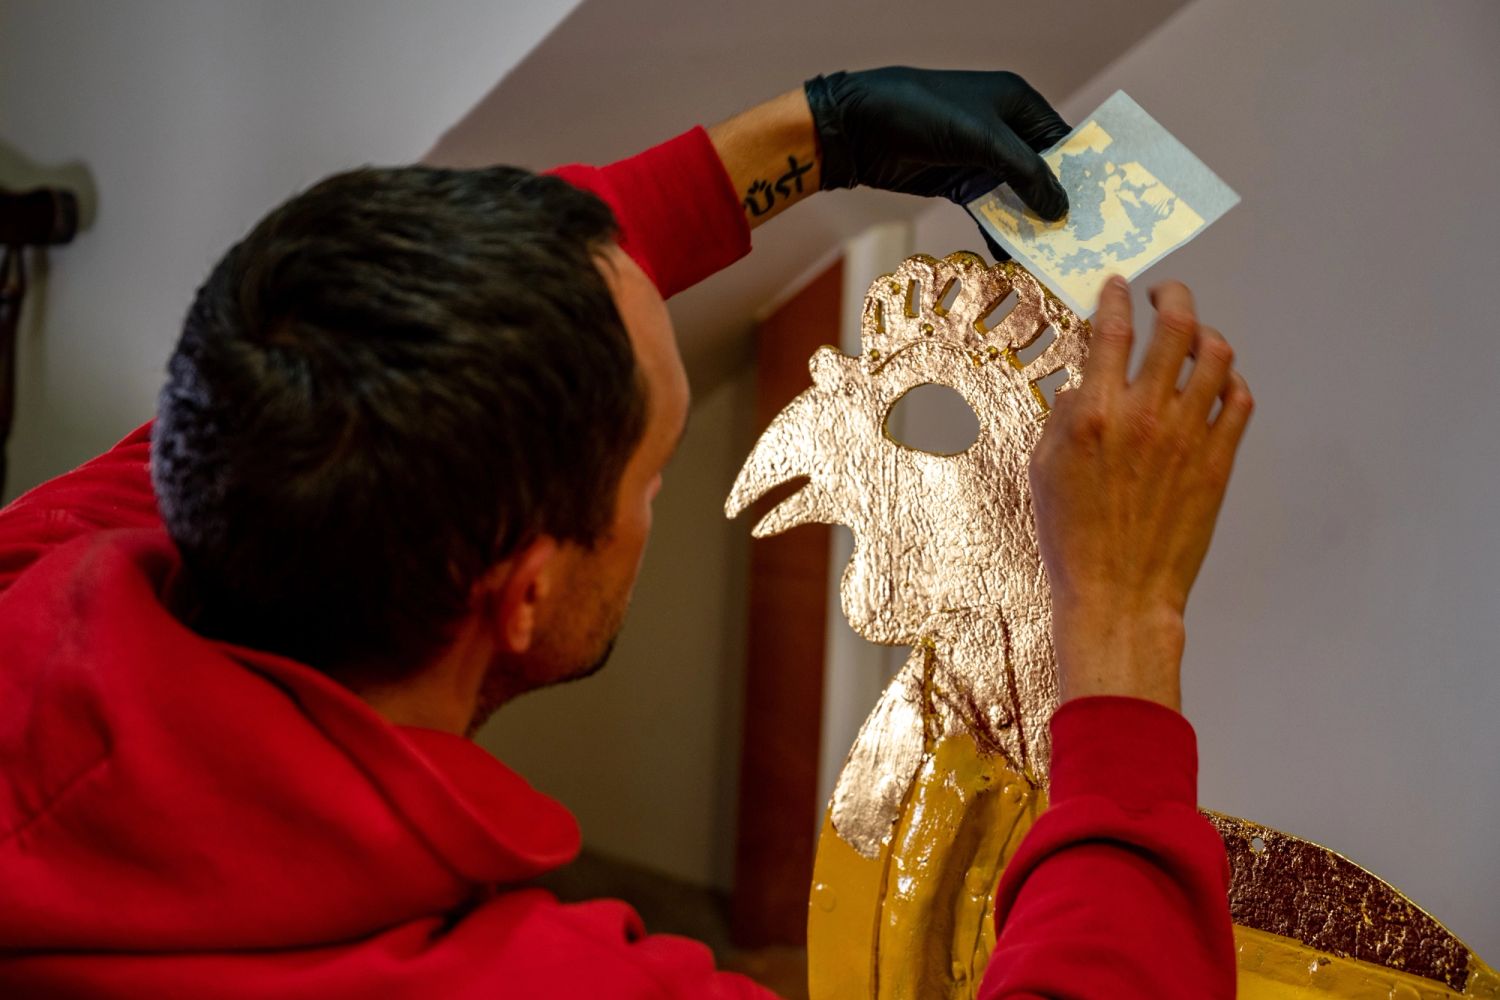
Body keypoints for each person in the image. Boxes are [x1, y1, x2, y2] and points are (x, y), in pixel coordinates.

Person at [0, 67, 1247, 997]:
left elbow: (401, 310)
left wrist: (820, 134)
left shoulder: (46, 562)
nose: (662, 499)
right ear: (526, 593)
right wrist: (1124, 621)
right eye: (654, 476)